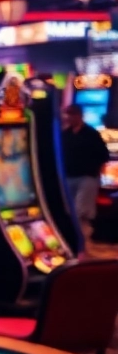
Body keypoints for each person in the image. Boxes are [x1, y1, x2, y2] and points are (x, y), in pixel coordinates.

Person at [61, 103, 110, 248]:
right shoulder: (65, 134)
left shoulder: (91, 133)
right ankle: (73, 240)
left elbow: (104, 156)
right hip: (68, 176)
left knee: (82, 210)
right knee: (69, 210)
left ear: (80, 115)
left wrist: (97, 176)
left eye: (72, 115)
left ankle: (82, 241)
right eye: (68, 115)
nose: (69, 118)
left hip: (87, 177)